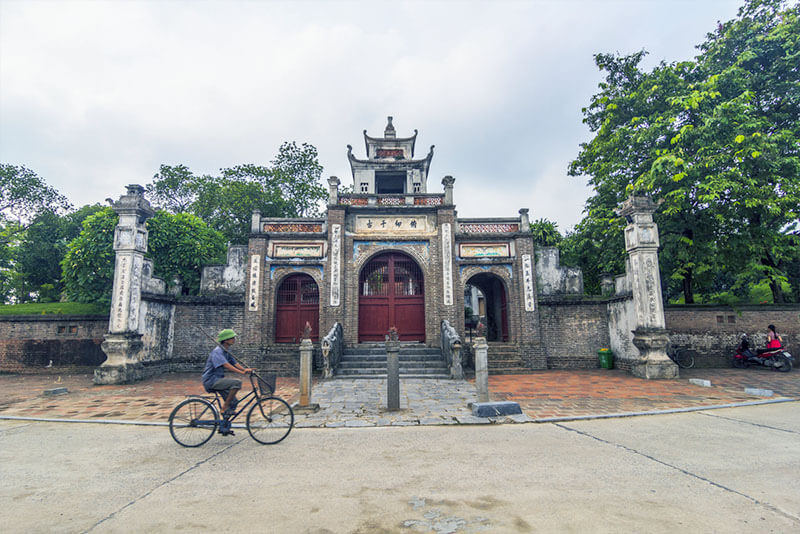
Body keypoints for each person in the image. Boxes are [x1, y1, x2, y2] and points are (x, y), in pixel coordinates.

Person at [201, 329, 252, 435]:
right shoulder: (217, 351)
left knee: (233, 402)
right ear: (225, 340)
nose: (234, 339)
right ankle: (224, 408)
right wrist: (241, 373)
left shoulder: (226, 351)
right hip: (211, 381)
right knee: (236, 383)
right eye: (232, 338)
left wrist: (244, 369)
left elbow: (233, 362)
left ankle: (224, 426)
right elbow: (226, 365)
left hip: (218, 380)